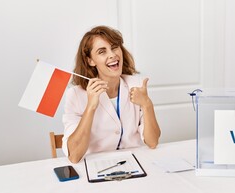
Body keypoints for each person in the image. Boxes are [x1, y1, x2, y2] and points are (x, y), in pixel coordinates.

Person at [62, 25, 161, 163]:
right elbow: (74, 156)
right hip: (96, 166)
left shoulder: (136, 85)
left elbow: (153, 142)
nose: (112, 55)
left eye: (114, 47)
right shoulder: (75, 95)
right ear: (90, 61)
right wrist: (90, 107)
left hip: (134, 163)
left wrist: (147, 104)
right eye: (102, 51)